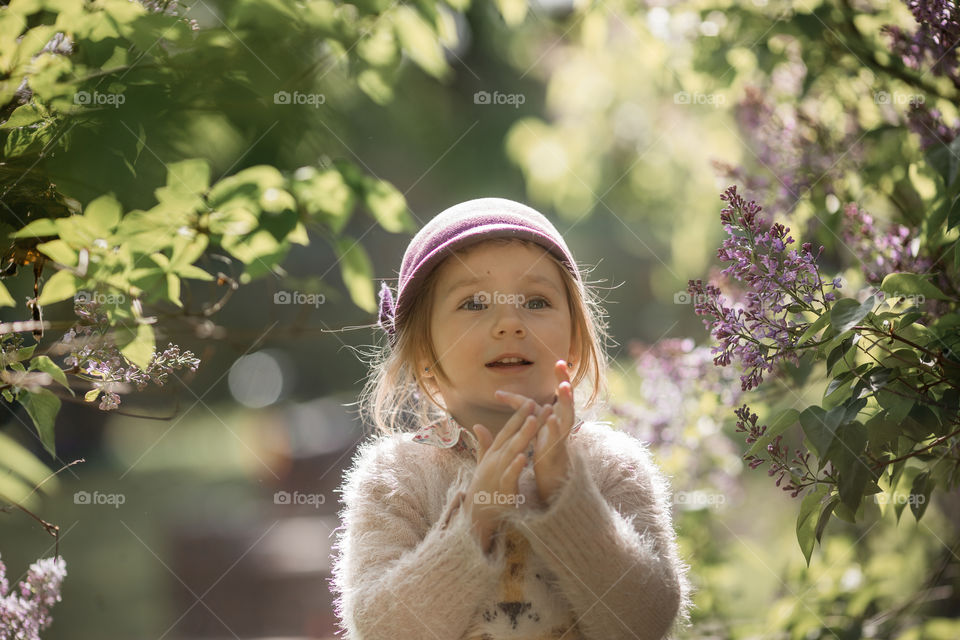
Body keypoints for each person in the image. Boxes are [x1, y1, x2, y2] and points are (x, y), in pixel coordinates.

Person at [329, 197, 692, 639]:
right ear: (423, 353)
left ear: (576, 342)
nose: (509, 322)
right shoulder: (396, 478)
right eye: (474, 303)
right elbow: (382, 628)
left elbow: (646, 620)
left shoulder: (612, 466)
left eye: (537, 302)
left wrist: (566, 495)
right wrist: (474, 523)